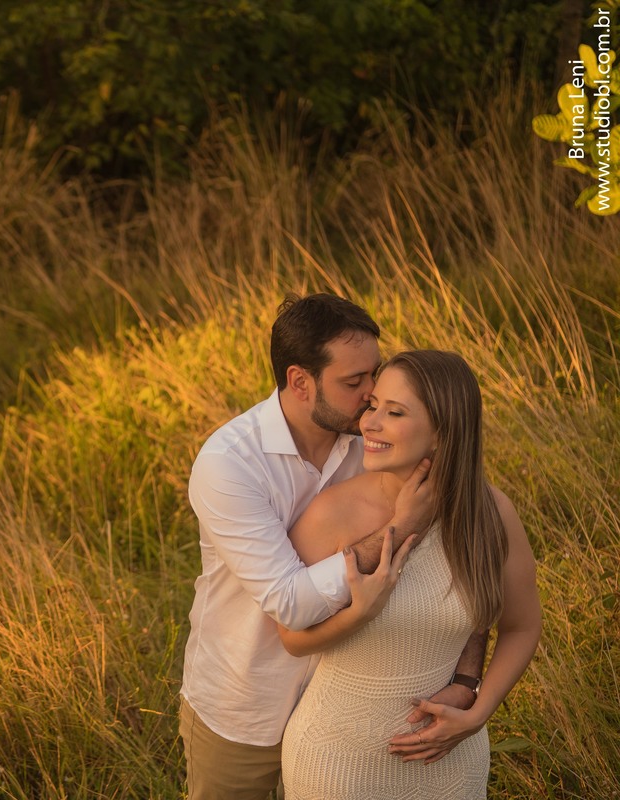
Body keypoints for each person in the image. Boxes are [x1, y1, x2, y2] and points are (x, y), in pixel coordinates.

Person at [179, 294, 484, 800]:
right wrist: (400, 526)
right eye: (354, 381)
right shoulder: (229, 465)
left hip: (346, 717)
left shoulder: (378, 439)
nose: (371, 396)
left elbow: (467, 562)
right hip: (246, 706)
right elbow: (291, 602)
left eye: (375, 374)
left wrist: (468, 677)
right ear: (300, 381)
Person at [278, 350, 542, 799]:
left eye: (394, 412)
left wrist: (477, 711)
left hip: (451, 759)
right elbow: (292, 638)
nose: (369, 422)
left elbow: (521, 626)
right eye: (373, 404)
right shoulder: (331, 514)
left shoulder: (490, 514)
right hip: (338, 764)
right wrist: (365, 601)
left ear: (443, 431)